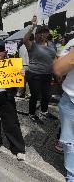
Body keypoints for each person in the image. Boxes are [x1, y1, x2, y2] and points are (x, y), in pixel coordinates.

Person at [23, 16, 56, 124]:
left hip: (47, 74)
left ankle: (44, 111)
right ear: (36, 35)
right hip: (34, 75)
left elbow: (54, 58)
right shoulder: (32, 45)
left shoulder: (52, 45)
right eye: (39, 33)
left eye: (45, 32)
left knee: (47, 95)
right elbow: (25, 39)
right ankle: (32, 114)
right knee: (35, 95)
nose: (42, 35)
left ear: (48, 33)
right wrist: (33, 26)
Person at [53, 39, 74, 182]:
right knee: (70, 144)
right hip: (71, 100)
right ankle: (71, 176)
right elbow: (58, 69)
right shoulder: (73, 42)